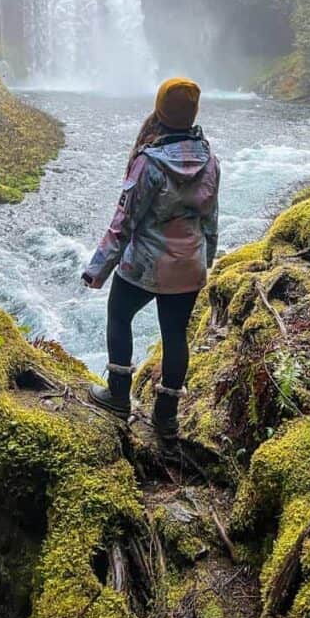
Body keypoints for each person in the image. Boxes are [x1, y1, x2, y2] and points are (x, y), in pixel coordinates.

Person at [82, 77, 220, 437]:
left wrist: (98, 268)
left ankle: (117, 394)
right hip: (189, 264)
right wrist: (206, 262)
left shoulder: (149, 162)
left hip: (145, 265)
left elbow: (123, 222)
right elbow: (211, 222)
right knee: (175, 335)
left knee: (119, 314)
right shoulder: (210, 159)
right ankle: (166, 417)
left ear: (160, 111)